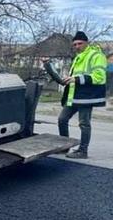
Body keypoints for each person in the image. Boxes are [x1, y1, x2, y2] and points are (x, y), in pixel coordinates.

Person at [43, 31, 107, 159]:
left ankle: (83, 151)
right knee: (62, 119)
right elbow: (72, 77)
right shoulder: (78, 57)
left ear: (86, 42)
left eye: (80, 43)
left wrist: (76, 79)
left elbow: (100, 77)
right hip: (74, 96)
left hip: (86, 97)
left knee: (84, 123)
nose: (77, 46)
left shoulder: (96, 55)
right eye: (75, 44)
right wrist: (49, 65)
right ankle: (64, 147)